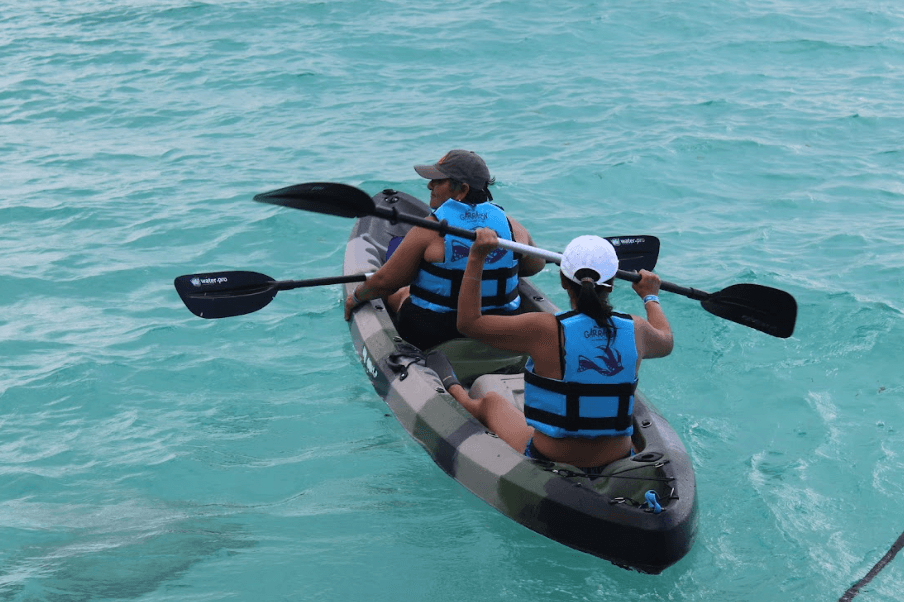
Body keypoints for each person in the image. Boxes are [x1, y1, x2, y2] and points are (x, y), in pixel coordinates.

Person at [426, 228, 674, 474]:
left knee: (491, 403)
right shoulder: (637, 330)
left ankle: (455, 390)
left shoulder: (544, 328)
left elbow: (469, 323)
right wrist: (650, 297)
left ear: (564, 281)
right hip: (618, 457)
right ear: (610, 286)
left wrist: (477, 257)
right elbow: (666, 341)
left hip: (549, 457)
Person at [344, 150, 545, 350]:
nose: (430, 185)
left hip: (435, 331)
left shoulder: (429, 229)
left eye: (439, 181)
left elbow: (385, 283)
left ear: (462, 189)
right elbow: (535, 266)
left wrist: (356, 297)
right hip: (501, 326)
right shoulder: (512, 227)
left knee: (401, 293)